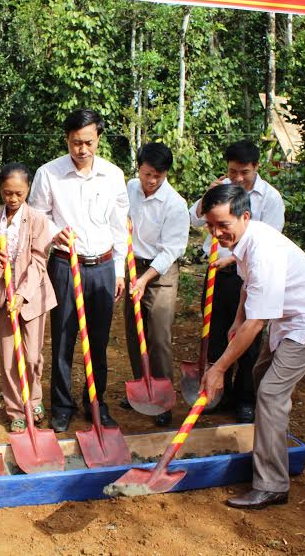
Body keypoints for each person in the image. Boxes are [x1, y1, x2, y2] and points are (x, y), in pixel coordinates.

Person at [198, 183, 305, 509]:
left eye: (223, 225)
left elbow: (256, 323)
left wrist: (218, 368)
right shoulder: (247, 240)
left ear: (244, 216)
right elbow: (249, 286)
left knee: (271, 393)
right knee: (263, 380)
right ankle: (268, 446)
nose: (217, 233)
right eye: (210, 226)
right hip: (285, 319)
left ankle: (272, 484)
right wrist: (236, 319)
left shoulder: (264, 250)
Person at [27, 108, 129, 433]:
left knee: (98, 341)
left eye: (87, 142)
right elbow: (37, 216)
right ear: (66, 140)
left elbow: (120, 226)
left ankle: (96, 403)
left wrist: (122, 270)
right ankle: (61, 406)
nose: (81, 150)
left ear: (98, 138)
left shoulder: (113, 175)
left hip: (102, 266)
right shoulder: (48, 174)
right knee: (63, 337)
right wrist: (54, 230)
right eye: (75, 143)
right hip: (63, 266)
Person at [188, 139, 285, 423]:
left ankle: (245, 398)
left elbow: (272, 238)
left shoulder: (270, 198)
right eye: (233, 172)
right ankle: (220, 391)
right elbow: (193, 220)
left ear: (256, 167)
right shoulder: (221, 190)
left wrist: (235, 258)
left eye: (244, 172)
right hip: (218, 273)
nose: (238, 178)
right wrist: (208, 194)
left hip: (251, 272)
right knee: (216, 332)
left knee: (248, 335)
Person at [121, 143, 189, 427]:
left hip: (160, 273)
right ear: (139, 167)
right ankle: (141, 389)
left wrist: (144, 278)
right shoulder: (129, 188)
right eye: (148, 174)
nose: (151, 181)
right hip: (131, 263)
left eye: (158, 176)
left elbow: (171, 250)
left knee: (158, 336)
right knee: (134, 331)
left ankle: (162, 399)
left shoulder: (175, 204)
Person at [0, 163, 57, 432]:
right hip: (3, 298)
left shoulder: (39, 220)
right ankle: (15, 408)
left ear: (28, 189)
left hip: (33, 296)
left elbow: (40, 262)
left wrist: (21, 294)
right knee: (8, 358)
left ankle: (34, 397)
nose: (13, 199)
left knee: (31, 356)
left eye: (19, 193)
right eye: (7, 193)